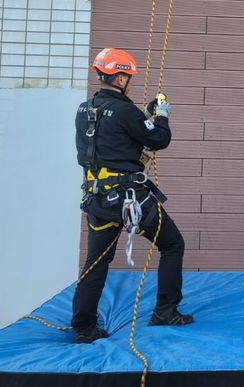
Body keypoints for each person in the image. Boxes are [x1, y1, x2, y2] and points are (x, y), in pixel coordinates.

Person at [72, 47, 193, 344]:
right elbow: (158, 139)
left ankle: (83, 326)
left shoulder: (84, 110)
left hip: (97, 200)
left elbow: (117, 143)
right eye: (128, 76)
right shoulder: (125, 111)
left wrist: (147, 120)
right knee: (173, 243)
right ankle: (165, 310)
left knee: (96, 261)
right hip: (128, 199)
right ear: (121, 76)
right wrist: (161, 115)